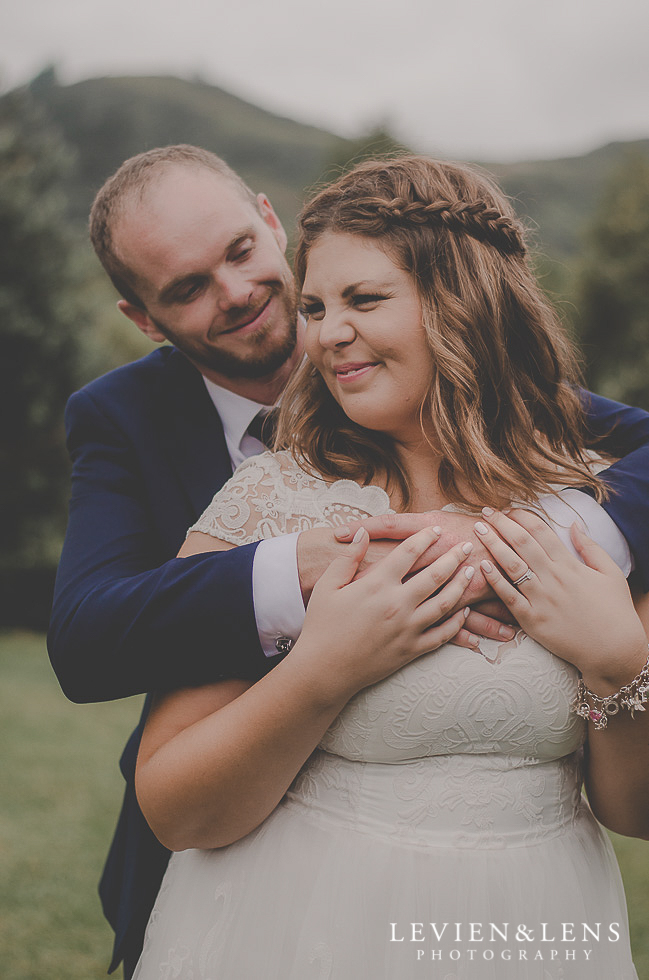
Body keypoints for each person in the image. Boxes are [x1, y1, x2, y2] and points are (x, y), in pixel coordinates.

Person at [47, 146, 649, 977]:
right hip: (292, 920)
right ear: (144, 318)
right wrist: (310, 621)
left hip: (531, 922)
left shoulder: (588, 501)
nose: (321, 333)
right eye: (186, 288)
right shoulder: (234, 479)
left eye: (359, 299)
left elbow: (632, 809)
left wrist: (618, 658)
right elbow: (89, 639)